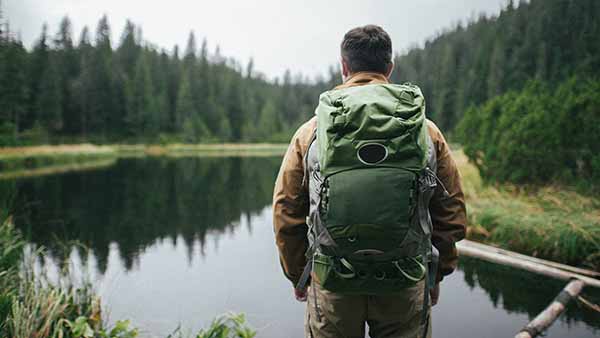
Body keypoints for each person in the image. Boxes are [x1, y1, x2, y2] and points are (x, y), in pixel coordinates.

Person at [273, 24, 466, 338]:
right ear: (389, 67)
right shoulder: (426, 132)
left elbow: (285, 212)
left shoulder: (310, 133)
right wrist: (435, 274)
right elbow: (451, 210)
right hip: (404, 279)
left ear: (344, 67)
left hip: (332, 281)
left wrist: (300, 274)